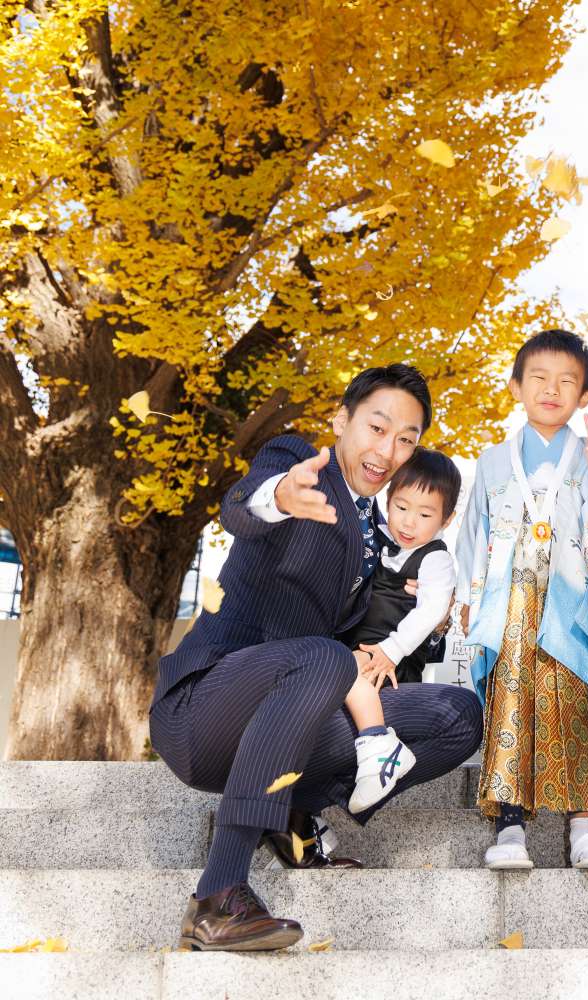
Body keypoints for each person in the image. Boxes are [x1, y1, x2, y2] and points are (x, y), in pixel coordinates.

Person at [148, 364, 483, 951]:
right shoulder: (298, 462)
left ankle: (295, 813)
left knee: (457, 716)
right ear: (341, 420)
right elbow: (241, 506)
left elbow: (372, 643)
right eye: (377, 428)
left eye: (407, 439)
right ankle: (219, 893)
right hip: (204, 711)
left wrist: (418, 613)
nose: (389, 449)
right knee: (329, 660)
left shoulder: (389, 540)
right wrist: (278, 496)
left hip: (292, 722)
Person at [455, 330, 588, 871]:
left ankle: (583, 827)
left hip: (572, 601)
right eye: (539, 378)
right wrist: (467, 596)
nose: (552, 389)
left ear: (585, 396)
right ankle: (509, 826)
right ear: (516, 386)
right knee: (510, 702)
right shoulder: (495, 457)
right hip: (509, 600)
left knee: (574, 702)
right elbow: (473, 535)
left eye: (567, 381)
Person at [339, 446, 462, 814]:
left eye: (425, 514)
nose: (408, 523)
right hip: (362, 650)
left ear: (447, 519)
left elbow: (432, 611)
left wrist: (392, 649)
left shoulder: (436, 560)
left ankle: (378, 744)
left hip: (392, 662)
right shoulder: (372, 536)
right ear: (387, 500)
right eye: (401, 507)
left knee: (342, 669)